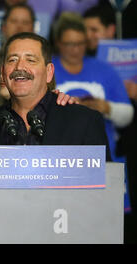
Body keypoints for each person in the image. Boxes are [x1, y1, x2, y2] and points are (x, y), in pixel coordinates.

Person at [52, 13, 134, 215]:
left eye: (81, 43)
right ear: (58, 43)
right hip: (58, 160)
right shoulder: (47, 69)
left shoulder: (104, 70)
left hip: (104, 156)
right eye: (70, 44)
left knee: (106, 220)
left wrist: (104, 107)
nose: (76, 49)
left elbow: (127, 115)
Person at [0, 32, 111, 159]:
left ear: (49, 72)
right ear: (3, 71)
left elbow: (105, 177)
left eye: (30, 60)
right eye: (12, 60)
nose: (19, 66)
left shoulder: (84, 121)